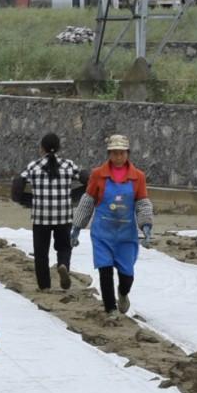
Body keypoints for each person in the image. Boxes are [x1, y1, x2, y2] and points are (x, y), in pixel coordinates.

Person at [72, 134, 153, 315]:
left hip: (126, 235)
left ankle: (123, 294)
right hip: (103, 233)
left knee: (127, 276)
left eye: (121, 153)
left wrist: (146, 225)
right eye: (114, 153)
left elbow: (142, 203)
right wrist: (76, 227)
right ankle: (110, 309)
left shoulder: (138, 177)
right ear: (109, 154)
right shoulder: (98, 175)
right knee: (105, 270)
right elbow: (88, 201)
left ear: (127, 154)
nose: (118, 157)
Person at [16, 132, 81, 291]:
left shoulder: (33, 166)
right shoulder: (68, 165)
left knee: (41, 253)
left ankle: (44, 286)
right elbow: (87, 178)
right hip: (63, 215)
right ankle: (63, 265)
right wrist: (74, 196)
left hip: (40, 217)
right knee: (64, 247)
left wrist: (26, 199)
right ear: (58, 148)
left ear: (42, 148)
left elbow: (18, 183)